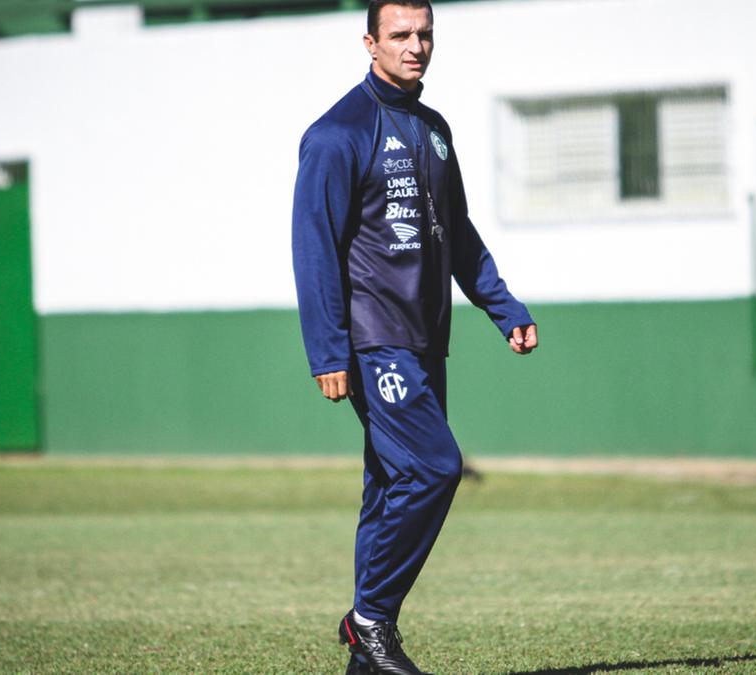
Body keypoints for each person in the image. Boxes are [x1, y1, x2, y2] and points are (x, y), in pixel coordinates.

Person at [291, 1, 538, 672]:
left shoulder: (433, 129)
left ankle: (365, 662)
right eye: (400, 34)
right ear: (370, 41)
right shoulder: (336, 134)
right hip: (375, 340)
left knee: (388, 482)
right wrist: (327, 349)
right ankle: (369, 620)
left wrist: (503, 306)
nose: (416, 46)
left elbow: (455, 232)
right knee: (434, 467)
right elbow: (314, 247)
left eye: (425, 34)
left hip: (428, 339)